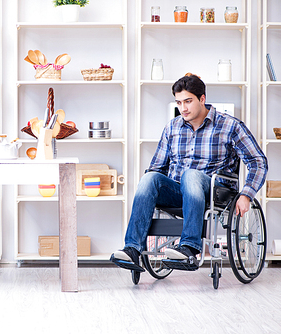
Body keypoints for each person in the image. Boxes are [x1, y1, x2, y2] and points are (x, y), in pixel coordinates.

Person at [112, 73, 268, 270]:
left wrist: (246, 194)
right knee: (150, 177)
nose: (183, 108)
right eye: (178, 103)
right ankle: (132, 249)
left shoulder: (230, 126)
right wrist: (151, 182)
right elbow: (156, 168)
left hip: (214, 192)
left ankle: (189, 247)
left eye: (188, 101)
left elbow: (258, 161)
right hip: (178, 191)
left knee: (191, 174)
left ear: (202, 99)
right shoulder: (172, 128)